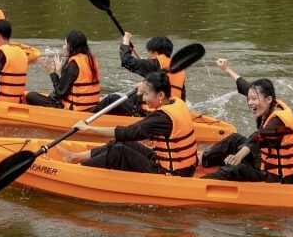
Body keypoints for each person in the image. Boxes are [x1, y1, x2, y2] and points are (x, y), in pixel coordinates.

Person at [54, 72, 198, 176]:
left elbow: (127, 133)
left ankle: (77, 171)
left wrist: (90, 128)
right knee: (121, 143)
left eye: (146, 94)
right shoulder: (175, 101)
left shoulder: (162, 118)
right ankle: (74, 157)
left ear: (160, 95)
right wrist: (145, 86)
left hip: (172, 173)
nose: (143, 97)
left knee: (120, 150)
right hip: (176, 164)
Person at [199, 58, 293, 183]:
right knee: (234, 139)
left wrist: (239, 155)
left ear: (268, 99)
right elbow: (244, 86)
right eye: (249, 99)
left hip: (276, 176)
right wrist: (227, 69)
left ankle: (197, 184)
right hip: (264, 160)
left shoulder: (278, 121)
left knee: (236, 169)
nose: (250, 103)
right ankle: (197, 162)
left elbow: (258, 138)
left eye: (253, 99)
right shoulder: (267, 103)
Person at [26, 30, 102, 110]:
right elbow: (76, 82)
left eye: (65, 44)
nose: (63, 47)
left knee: (31, 96)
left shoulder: (73, 64)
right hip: (92, 106)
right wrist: (61, 71)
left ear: (72, 46)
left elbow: (60, 93)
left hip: (75, 109)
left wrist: (52, 73)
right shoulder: (91, 60)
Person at [119, 32, 186, 101]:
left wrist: (126, 40)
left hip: (157, 107)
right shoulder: (177, 68)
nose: (148, 56)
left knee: (111, 98)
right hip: (175, 106)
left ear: (155, 53)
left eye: (149, 52)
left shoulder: (154, 64)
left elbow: (126, 60)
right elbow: (183, 97)